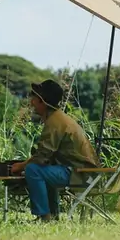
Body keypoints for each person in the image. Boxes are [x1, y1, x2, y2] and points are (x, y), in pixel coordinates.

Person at [11, 79, 100, 222]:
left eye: (34, 98)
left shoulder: (55, 122)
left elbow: (41, 157)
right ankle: (52, 214)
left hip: (80, 174)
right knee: (42, 168)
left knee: (33, 170)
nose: (32, 102)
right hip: (82, 172)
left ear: (43, 101)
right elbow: (45, 156)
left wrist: (21, 166)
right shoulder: (57, 118)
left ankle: (44, 216)